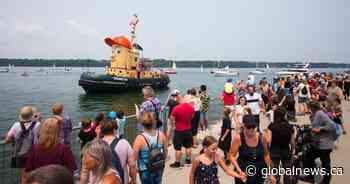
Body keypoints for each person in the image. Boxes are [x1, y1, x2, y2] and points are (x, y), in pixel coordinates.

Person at [229, 115, 275, 184]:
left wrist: (270, 174)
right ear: (244, 126)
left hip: (259, 173)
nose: (251, 129)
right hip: (243, 173)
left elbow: (266, 155)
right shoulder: (238, 138)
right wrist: (239, 170)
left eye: (253, 126)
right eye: (249, 127)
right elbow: (231, 156)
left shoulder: (262, 137)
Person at [4, 106, 41, 184]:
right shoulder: (37, 125)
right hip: (34, 153)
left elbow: (7, 140)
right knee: (36, 174)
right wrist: (38, 119)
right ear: (32, 115)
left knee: (24, 175)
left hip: (21, 153)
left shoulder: (16, 125)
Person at [305, 101, 335, 184]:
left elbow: (332, 125)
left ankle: (324, 181)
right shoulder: (317, 114)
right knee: (309, 156)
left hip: (324, 145)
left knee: (324, 163)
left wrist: (320, 129)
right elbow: (316, 125)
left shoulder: (319, 114)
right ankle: (311, 176)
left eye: (309, 108)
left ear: (312, 108)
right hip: (320, 144)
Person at [133, 112, 167, 184]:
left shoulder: (139, 138)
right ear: (154, 122)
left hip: (145, 169)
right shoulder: (161, 135)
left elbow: (134, 157)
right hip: (158, 166)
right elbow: (165, 151)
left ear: (142, 124)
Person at [100, 119, 137, 184]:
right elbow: (132, 165)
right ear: (114, 130)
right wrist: (133, 180)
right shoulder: (124, 143)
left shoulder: (96, 146)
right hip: (121, 180)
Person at [264, 108, 295, 184]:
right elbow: (292, 141)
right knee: (287, 170)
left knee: (275, 170)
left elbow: (268, 140)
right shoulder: (289, 126)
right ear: (284, 115)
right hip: (286, 150)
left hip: (274, 150)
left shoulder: (272, 126)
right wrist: (293, 151)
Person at [169, 95, 194, 168]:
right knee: (188, 146)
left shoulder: (176, 108)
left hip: (179, 130)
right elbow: (192, 117)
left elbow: (171, 118)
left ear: (181, 100)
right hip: (188, 130)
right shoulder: (191, 108)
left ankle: (177, 163)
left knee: (178, 148)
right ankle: (188, 160)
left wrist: (173, 125)